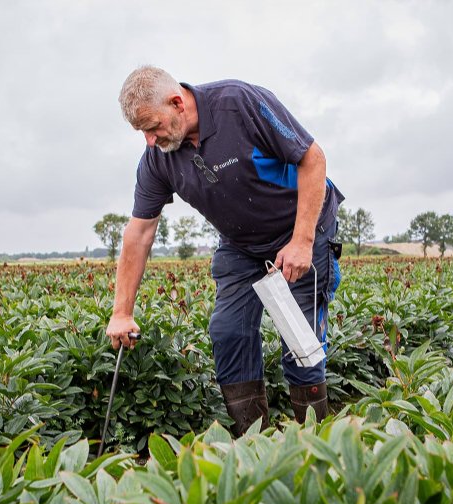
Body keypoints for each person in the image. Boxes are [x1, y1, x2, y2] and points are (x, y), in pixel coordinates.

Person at [106, 65, 344, 436]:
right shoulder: (158, 159)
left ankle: (317, 445)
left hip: (300, 229)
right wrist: (121, 313)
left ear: (177, 102)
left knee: (301, 344)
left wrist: (302, 241)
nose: (150, 141)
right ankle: (256, 444)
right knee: (228, 332)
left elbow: (312, 159)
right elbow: (139, 234)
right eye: (143, 133)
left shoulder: (238, 103)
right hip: (241, 245)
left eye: (153, 127)